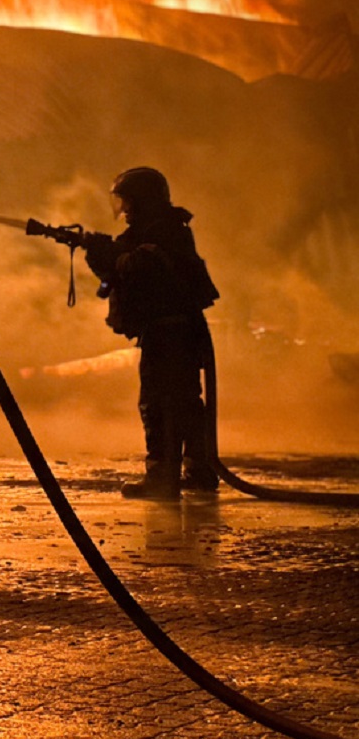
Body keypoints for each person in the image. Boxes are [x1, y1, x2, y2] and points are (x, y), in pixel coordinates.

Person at [83, 167, 220, 501]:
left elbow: (140, 268)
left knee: (161, 404)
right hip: (175, 332)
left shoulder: (166, 232)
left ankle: (163, 478)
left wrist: (109, 255)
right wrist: (98, 252)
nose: (124, 210)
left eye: (129, 202)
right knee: (183, 403)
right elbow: (119, 270)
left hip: (170, 333)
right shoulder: (157, 231)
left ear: (143, 201)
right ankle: (198, 470)